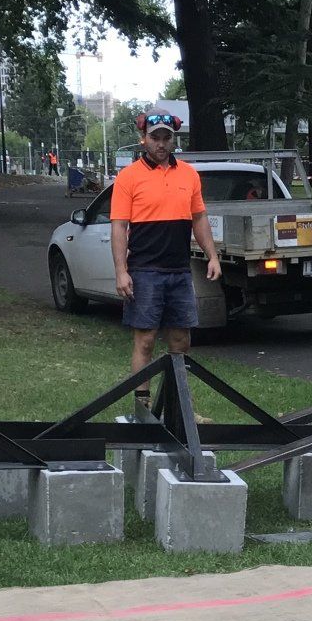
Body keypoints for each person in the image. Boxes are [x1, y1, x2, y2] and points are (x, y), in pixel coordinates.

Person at [108, 112, 221, 412]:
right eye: (154, 137)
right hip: (144, 271)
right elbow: (119, 226)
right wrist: (121, 272)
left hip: (179, 271)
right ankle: (142, 409)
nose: (160, 143)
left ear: (173, 140)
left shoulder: (188, 175)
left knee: (181, 340)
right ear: (143, 139)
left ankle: (179, 408)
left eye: (166, 138)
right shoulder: (129, 177)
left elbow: (199, 218)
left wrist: (212, 256)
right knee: (145, 340)